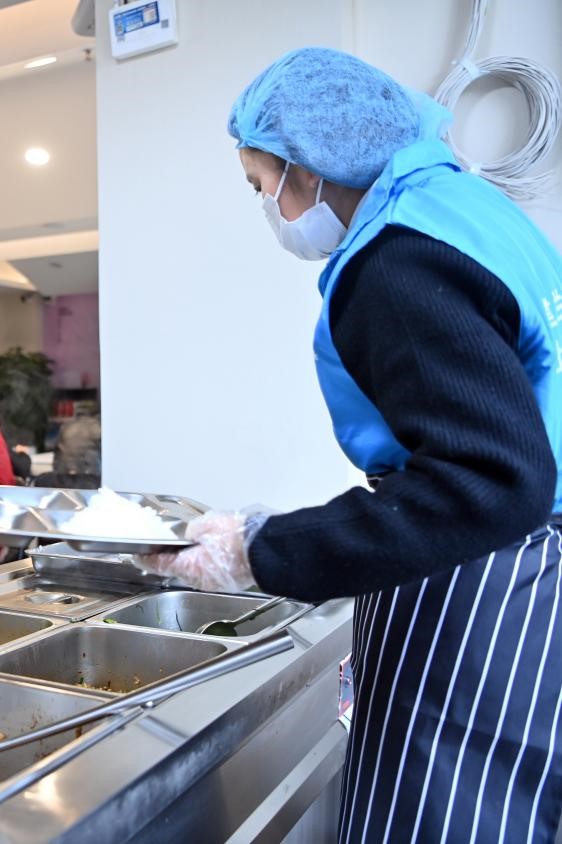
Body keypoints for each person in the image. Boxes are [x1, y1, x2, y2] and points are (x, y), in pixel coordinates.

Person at [142, 47, 562, 842]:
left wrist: (262, 551)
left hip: (481, 593)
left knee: (442, 813)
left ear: (307, 167)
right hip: (532, 583)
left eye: (260, 185)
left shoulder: (397, 259)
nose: (267, 205)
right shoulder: (468, 209)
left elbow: (492, 483)